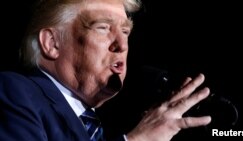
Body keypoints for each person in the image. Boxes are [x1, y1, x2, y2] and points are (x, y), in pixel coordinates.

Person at [0, 0, 211, 141]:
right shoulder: (12, 90)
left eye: (125, 31)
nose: (122, 45)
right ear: (52, 43)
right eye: (102, 27)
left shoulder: (97, 128)